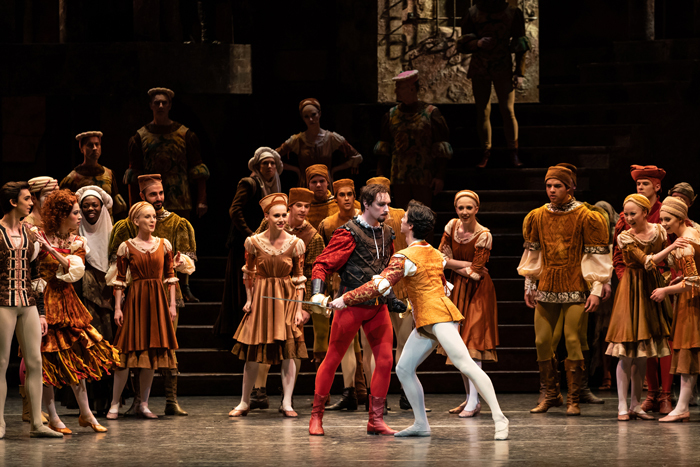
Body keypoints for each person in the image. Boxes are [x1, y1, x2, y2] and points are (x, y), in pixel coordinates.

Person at [329, 200, 509, 440]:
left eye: (404, 218)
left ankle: (499, 417)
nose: (400, 220)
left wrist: (346, 298)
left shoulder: (404, 257)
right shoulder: (433, 252)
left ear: (410, 225)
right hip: (428, 321)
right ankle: (421, 424)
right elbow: (442, 285)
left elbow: (379, 285)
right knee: (403, 368)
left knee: (465, 363)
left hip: (439, 318)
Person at [518, 165, 612, 416]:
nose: (551, 190)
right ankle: (551, 394)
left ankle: (573, 398)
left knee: (572, 339)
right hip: (547, 284)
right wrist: (529, 283)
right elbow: (533, 252)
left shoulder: (587, 216)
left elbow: (597, 256)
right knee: (541, 341)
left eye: (557, 186)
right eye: (548, 185)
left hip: (574, 284)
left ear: (570, 187)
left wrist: (596, 288)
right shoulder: (537, 216)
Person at [308, 184, 401, 436]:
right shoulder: (348, 233)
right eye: (381, 205)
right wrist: (317, 291)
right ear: (366, 205)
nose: (386, 209)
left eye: (388, 204)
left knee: (384, 361)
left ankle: (376, 420)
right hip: (350, 306)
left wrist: (391, 297)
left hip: (377, 307)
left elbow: (386, 272)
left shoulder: (387, 233)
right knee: (333, 359)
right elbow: (321, 263)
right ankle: (316, 417)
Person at [108, 174, 196, 416]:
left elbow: (180, 266)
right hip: (135, 299)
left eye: (161, 193)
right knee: (128, 352)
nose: (159, 199)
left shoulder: (174, 228)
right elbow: (117, 275)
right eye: (153, 195)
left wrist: (172, 300)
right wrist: (118, 306)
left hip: (160, 299)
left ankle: (164, 400)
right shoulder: (124, 237)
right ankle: (125, 402)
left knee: (158, 351)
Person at [38, 189, 119, 434]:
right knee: (47, 360)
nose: (80, 216)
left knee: (76, 358)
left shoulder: (77, 242)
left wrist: (51, 251)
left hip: (67, 302)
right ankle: (52, 416)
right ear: (63, 215)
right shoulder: (39, 236)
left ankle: (86, 413)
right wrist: (42, 245)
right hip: (44, 301)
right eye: (75, 212)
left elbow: (74, 271)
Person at [228, 193, 310, 418]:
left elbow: (300, 278)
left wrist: (297, 308)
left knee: (288, 353)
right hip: (262, 299)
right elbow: (249, 273)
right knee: (253, 353)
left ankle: (286, 402)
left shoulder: (296, 244)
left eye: (284, 214)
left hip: (286, 299)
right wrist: (249, 299)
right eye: (277, 215)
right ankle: (245, 402)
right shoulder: (253, 242)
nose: (282, 219)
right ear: (267, 216)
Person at [247, 187, 325, 411]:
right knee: (264, 341)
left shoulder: (313, 237)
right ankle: (259, 390)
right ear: (289, 207)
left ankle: (286, 396)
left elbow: (312, 272)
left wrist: (307, 306)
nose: (302, 210)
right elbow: (254, 254)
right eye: (298, 205)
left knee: (292, 345)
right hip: (267, 293)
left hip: (292, 296)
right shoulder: (268, 223)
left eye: (307, 206)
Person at [605, 194, 677, 421]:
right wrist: (673, 246)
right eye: (625, 214)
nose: (628, 218)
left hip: (651, 290)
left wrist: (671, 280)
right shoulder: (625, 237)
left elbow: (669, 262)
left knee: (643, 355)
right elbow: (647, 261)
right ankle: (622, 405)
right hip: (631, 290)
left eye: (632, 214)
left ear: (646, 212)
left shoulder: (659, 231)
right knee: (626, 353)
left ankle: (636, 404)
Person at [0, 182, 61, 438]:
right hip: (3, 303)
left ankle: (37, 423)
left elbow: (36, 274)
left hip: (27, 303)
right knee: (1, 362)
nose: (32, 203)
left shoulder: (30, 233)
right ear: (13, 202)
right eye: (26, 199)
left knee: (35, 362)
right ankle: (0, 422)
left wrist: (42, 311)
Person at [439, 190, 498, 418]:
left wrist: (456, 265)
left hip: (478, 291)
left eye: (469, 208)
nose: (464, 212)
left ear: (477, 209)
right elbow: (440, 260)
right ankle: (469, 398)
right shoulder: (451, 226)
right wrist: (465, 263)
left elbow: (475, 274)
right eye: (460, 208)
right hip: (457, 289)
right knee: (459, 346)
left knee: (472, 346)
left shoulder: (484, 235)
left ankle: (474, 401)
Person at [214, 147, 283, 338]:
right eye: (265, 163)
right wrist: (250, 235)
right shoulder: (250, 183)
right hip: (244, 244)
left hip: (265, 245)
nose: (269, 166)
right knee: (242, 286)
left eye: (272, 163)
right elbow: (235, 210)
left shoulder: (275, 186)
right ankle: (236, 331)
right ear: (257, 166)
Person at [457, 0, 530, 168]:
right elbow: (464, 41)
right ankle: (486, 152)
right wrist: (477, 43)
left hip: (503, 66)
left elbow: (520, 44)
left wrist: (519, 72)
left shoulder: (512, 12)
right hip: (480, 67)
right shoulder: (473, 12)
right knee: (482, 110)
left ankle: (513, 152)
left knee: (507, 110)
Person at [316, 178, 365, 410]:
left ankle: (374, 397)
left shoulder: (365, 218)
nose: (346, 198)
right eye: (341, 195)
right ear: (335, 199)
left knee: (367, 342)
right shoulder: (328, 223)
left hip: (366, 285)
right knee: (344, 341)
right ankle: (349, 393)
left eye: (350, 194)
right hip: (341, 285)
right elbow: (326, 257)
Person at [364, 177, 413, 410]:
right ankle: (398, 395)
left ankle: (378, 399)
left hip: (388, 283)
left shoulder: (397, 215)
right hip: (389, 282)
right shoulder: (401, 215)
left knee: (375, 346)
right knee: (400, 343)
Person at [650, 197, 700, 422]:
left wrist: (664, 292)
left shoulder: (685, 243)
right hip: (690, 300)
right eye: (661, 219)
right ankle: (681, 407)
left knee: (688, 352)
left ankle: (681, 408)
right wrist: (678, 278)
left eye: (667, 219)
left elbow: (693, 282)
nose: (663, 223)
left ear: (681, 218)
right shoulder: (690, 236)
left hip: (692, 303)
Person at [125, 88, 210, 219]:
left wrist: (202, 200)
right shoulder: (140, 137)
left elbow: (198, 170)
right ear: (151, 105)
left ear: (169, 105)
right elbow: (134, 174)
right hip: (150, 203)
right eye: (157, 103)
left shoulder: (184, 135)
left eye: (164, 103)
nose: (160, 106)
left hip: (180, 201)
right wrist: (134, 206)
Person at [374, 69, 452, 210]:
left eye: (400, 87)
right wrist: (380, 177)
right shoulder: (391, 115)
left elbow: (441, 147)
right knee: (401, 217)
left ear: (411, 88)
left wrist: (440, 175)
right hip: (398, 177)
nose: (396, 91)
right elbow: (384, 148)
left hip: (423, 176)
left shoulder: (430, 113)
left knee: (423, 218)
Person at [75, 186, 115, 416]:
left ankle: (107, 398)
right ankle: (88, 401)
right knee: (86, 345)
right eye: (86, 205)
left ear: (102, 207)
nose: (90, 209)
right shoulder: (76, 236)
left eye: (95, 205)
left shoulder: (112, 234)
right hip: (84, 300)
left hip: (108, 298)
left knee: (107, 342)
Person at [276, 98, 363, 185]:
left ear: (319, 114)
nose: (310, 119)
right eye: (306, 116)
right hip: (306, 185)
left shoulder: (331, 138)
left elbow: (357, 157)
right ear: (303, 118)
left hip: (325, 184)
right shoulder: (297, 140)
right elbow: (273, 155)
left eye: (313, 115)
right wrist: (296, 170)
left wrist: (333, 171)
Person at [60, 131, 127, 217]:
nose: (94, 148)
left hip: (107, 226)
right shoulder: (72, 179)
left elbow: (118, 206)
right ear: (81, 149)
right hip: (82, 226)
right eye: (90, 145)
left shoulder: (109, 174)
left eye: (97, 144)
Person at [305, 164, 359, 229]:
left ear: (327, 183)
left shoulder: (345, 203)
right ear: (308, 185)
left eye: (322, 181)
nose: (318, 185)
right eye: (314, 182)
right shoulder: (303, 208)